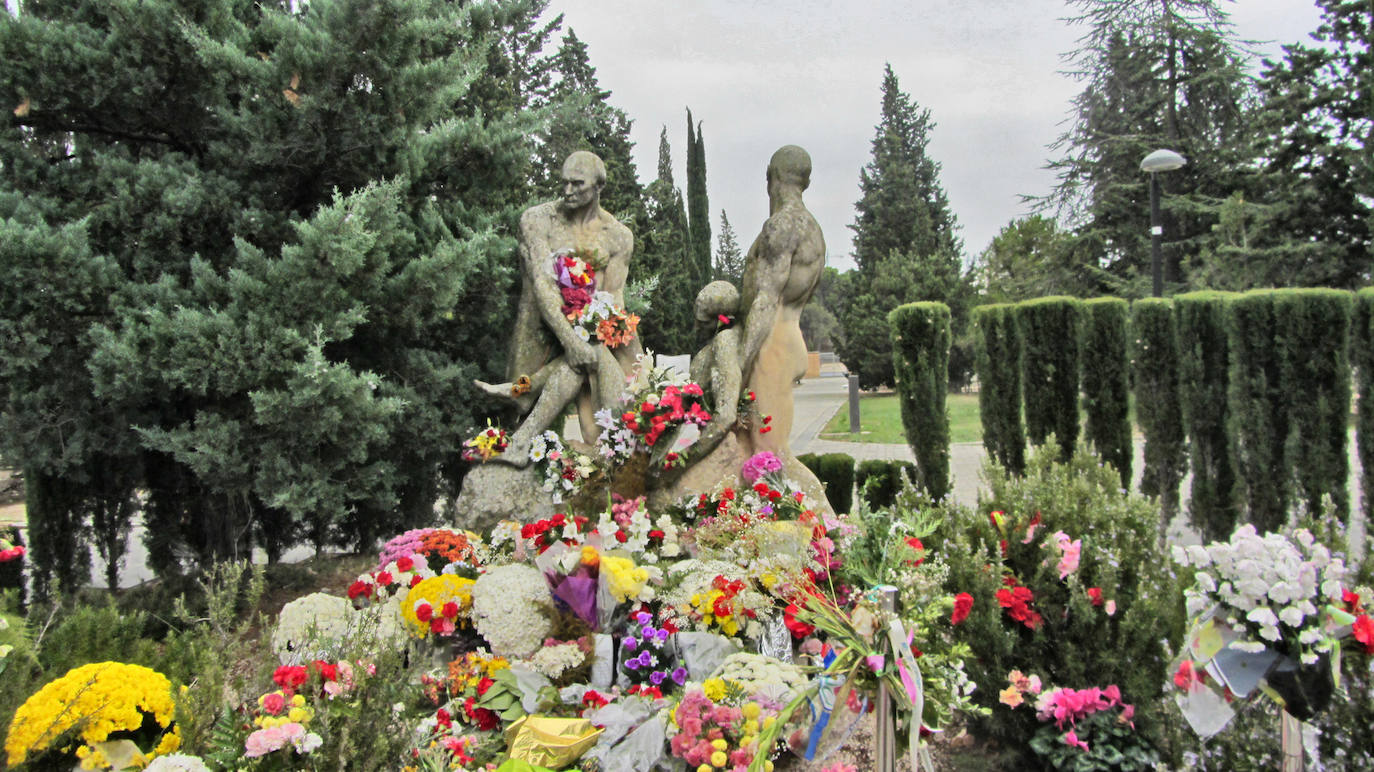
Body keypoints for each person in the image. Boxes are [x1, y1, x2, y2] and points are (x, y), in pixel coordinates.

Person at [476, 151, 638, 465]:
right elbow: (543, 285)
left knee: (594, 364)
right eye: (564, 182)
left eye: (577, 184)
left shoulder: (619, 236)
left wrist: (600, 328)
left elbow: (614, 297)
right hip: (545, 324)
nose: (567, 191)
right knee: (581, 358)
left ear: (598, 186)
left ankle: (521, 411)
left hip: (593, 327)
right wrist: (570, 338)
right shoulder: (538, 220)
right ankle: (521, 406)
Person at [737, 145, 826, 456]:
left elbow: (765, 299)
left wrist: (740, 362)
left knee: (768, 457)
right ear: (806, 181)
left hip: (771, 345)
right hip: (789, 337)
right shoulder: (813, 229)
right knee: (760, 454)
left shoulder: (782, 225)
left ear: (771, 176)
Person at [650, 281, 744, 480]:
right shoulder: (716, 343)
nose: (696, 327)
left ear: (723, 320)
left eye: (703, 322)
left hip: (701, 446)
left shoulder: (725, 341)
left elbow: (726, 414)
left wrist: (681, 459)